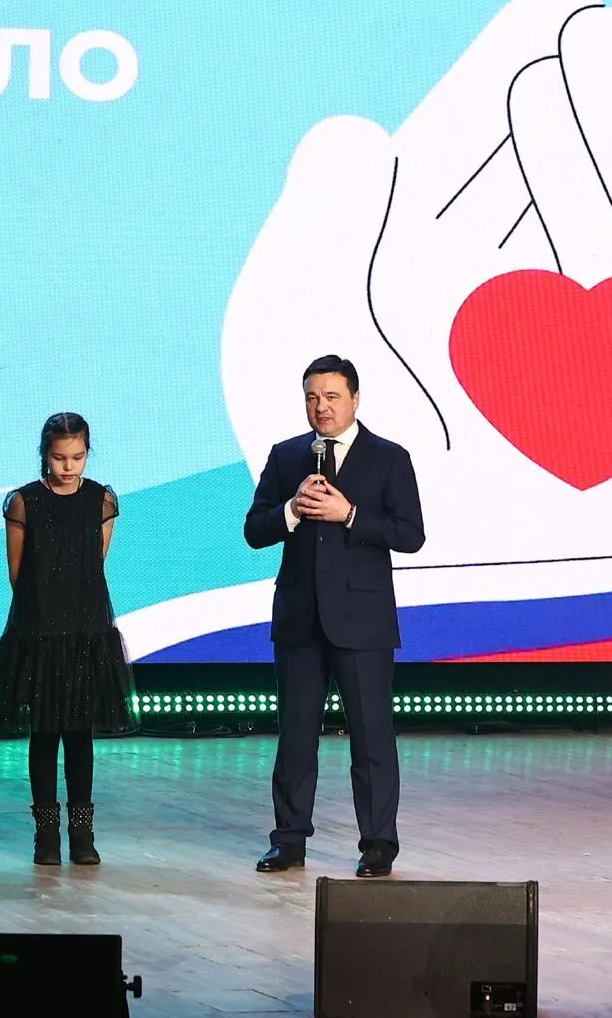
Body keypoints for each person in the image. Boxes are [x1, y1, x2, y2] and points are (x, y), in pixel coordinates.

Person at [244, 355, 424, 878]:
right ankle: (288, 840)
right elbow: (254, 530)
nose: (320, 407)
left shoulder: (389, 457)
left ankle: (378, 844)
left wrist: (350, 515)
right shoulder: (286, 456)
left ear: (355, 399)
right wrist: (291, 511)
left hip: (362, 622)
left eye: (331, 396)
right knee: (296, 738)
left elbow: (410, 534)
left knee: (371, 738)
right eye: (311, 397)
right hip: (300, 620)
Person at [0, 412, 135, 866]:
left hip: (87, 631)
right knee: (44, 734)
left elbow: (96, 562)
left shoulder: (101, 500)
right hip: (40, 631)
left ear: (88, 453)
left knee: (79, 735)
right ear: (44, 455)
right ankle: (46, 835)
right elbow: (17, 573)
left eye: (77, 457)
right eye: (59, 457)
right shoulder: (24, 502)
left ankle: (83, 833)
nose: (69, 466)